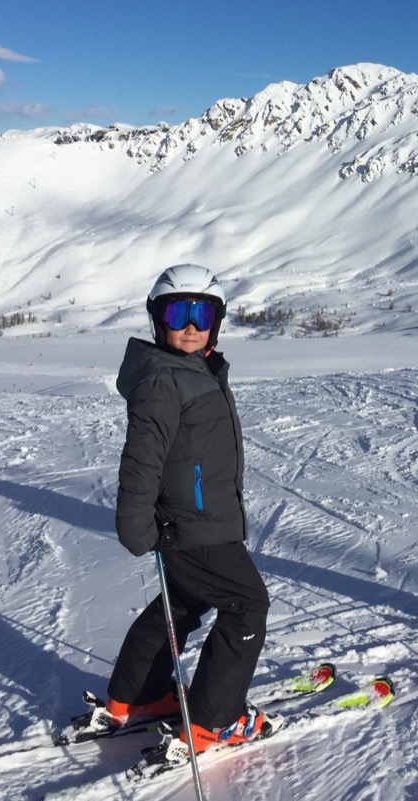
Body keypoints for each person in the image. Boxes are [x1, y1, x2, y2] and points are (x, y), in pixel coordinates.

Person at [101, 264, 271, 760]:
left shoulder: (194, 369)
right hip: (196, 526)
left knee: (184, 601)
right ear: (159, 319)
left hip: (200, 519)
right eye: (180, 312)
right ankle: (214, 721)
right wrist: (135, 524)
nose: (192, 325)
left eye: (203, 312)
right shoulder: (164, 380)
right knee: (246, 604)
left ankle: (140, 694)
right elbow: (142, 459)